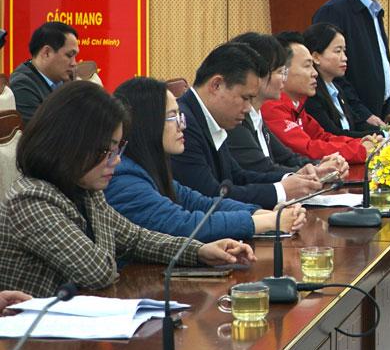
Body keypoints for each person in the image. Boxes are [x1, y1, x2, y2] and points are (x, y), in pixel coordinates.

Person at [0, 82, 254, 297]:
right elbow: (97, 272)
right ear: (70, 146)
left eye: (117, 149)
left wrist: (198, 251)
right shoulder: (32, 199)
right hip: (34, 336)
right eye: (106, 151)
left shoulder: (82, 189)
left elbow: (135, 239)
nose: (117, 160)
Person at [106, 77, 307, 241]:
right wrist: (270, 221)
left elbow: (202, 203)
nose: (182, 125)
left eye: (180, 116)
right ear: (147, 123)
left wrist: (265, 214)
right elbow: (184, 225)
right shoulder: (123, 178)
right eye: (173, 116)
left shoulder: (149, 169)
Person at [172, 43, 323, 210]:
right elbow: (210, 196)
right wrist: (280, 191)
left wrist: (294, 178)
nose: (248, 108)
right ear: (216, 85)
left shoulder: (208, 116)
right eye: (245, 98)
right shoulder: (182, 124)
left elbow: (238, 177)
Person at [226, 32, 347, 178]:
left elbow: (288, 158)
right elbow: (262, 170)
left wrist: (321, 166)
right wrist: (314, 172)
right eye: (280, 72)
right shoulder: (235, 120)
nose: (284, 78)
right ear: (255, 75)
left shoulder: (257, 115)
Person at [312, 0, 390, 124]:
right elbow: (329, 72)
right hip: (351, 120)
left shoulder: (374, 11)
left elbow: (382, 66)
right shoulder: (334, 11)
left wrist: (389, 108)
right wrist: (363, 114)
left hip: (379, 117)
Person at [262, 33, 379, 164]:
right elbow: (307, 149)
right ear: (282, 71)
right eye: (307, 66)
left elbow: (321, 137)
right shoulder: (271, 108)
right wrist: (360, 150)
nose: (315, 73)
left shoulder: (297, 105)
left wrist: (359, 143)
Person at [303, 22, 377, 138]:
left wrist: (386, 131)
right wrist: (380, 134)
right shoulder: (312, 94)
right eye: (338, 51)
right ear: (316, 57)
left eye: (344, 51)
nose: (345, 58)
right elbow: (334, 134)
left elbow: (357, 124)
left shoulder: (337, 89)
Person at [9, 21, 78, 123]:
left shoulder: (67, 81)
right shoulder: (21, 86)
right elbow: (43, 131)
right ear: (46, 53)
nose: (74, 63)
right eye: (69, 55)